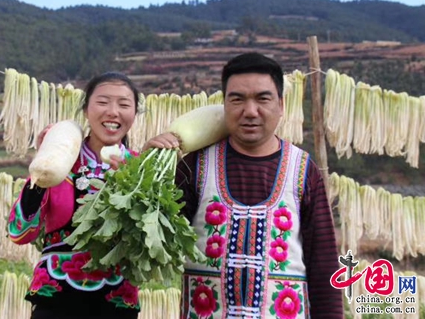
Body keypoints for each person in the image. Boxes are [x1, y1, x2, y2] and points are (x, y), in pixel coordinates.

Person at [145, 53, 343, 318]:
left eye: (263, 99)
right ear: (224, 104)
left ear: (281, 105)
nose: (250, 111)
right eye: (237, 99)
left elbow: (323, 262)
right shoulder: (195, 165)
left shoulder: (303, 169)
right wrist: (147, 169)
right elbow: (155, 240)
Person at [7, 72, 142, 319]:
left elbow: (149, 244)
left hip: (116, 301)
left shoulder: (142, 169)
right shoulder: (60, 160)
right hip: (56, 297)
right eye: (102, 102)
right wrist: (43, 166)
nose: (113, 112)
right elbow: (20, 232)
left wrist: (131, 186)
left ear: (135, 113)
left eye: (124, 104)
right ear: (86, 109)